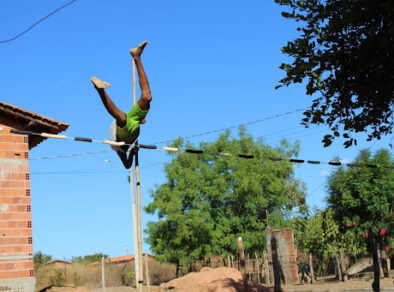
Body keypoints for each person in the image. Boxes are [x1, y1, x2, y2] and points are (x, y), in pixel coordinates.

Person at [91, 41, 152, 169]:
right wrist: (133, 152)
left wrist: (133, 152)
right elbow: (127, 165)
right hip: (132, 123)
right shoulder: (121, 149)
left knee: (125, 115)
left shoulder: (118, 149)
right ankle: (137, 57)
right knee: (146, 98)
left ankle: (136, 57)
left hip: (126, 127)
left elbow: (127, 165)